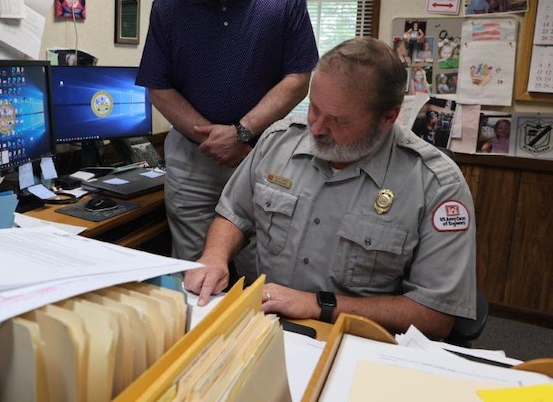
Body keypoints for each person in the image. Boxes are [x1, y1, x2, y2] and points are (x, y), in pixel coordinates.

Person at [183, 37, 476, 340]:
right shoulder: (278, 141)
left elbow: (436, 313)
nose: (317, 128)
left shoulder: (435, 184)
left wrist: (319, 305)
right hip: (267, 328)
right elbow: (233, 214)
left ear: (388, 117)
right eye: (314, 108)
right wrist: (214, 256)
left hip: (360, 342)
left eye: (338, 120)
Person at [136, 0, 319, 280]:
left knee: (264, 268)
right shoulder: (168, 5)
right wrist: (213, 139)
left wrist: (241, 132)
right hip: (193, 159)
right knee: (196, 267)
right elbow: (158, 86)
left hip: (262, 156)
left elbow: (299, 78)